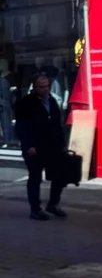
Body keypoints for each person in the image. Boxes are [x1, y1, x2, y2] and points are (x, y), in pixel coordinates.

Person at [15, 73, 67, 220]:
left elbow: (57, 124)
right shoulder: (26, 103)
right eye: (41, 87)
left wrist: (62, 144)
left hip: (52, 146)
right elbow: (21, 126)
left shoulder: (52, 101)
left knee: (60, 175)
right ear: (35, 87)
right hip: (35, 147)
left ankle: (53, 204)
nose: (45, 89)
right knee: (35, 177)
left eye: (47, 86)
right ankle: (35, 209)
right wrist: (28, 145)